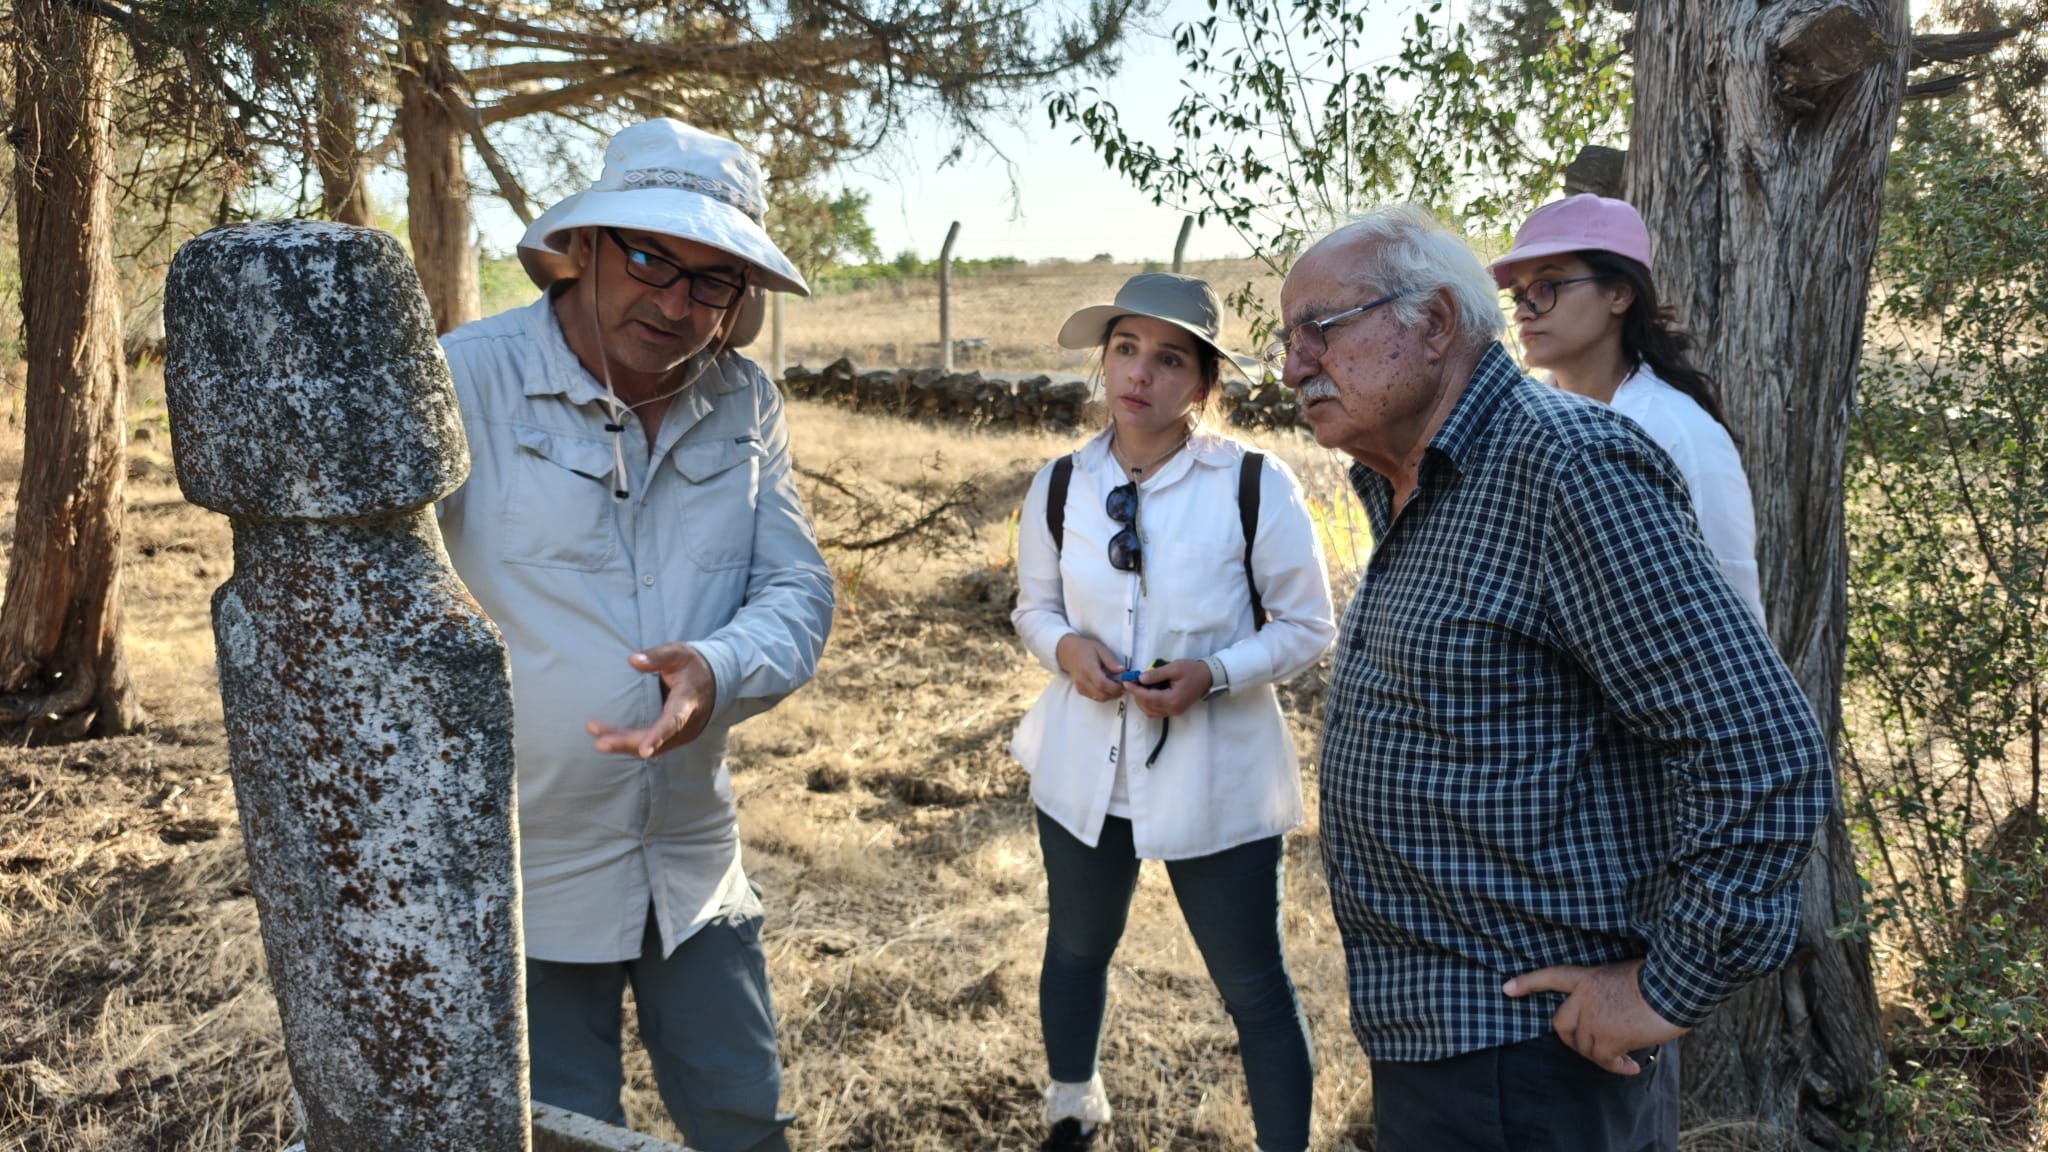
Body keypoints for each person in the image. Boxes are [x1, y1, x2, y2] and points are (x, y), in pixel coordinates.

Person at [1273, 205, 1831, 1151]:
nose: (1292, 368)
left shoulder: (1566, 467)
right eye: (1286, 342)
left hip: (1531, 1061)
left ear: (1436, 323)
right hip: (1456, 1045)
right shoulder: (1421, 482)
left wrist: (1666, 986)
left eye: (1318, 332)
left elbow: (1761, 747)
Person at [435, 119, 834, 1152]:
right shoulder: (461, 382)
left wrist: (716, 664)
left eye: (713, 282)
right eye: (652, 257)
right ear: (590, 246)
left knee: (747, 1123)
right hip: (524, 873)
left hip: (693, 862)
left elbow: (796, 590)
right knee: (561, 1132)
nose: (673, 303)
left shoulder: (744, 400)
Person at [1010, 273, 1337, 1152]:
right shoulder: (1058, 486)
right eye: (1125, 349)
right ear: (1103, 361)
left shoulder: (1254, 486)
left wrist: (1217, 672)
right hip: (1084, 763)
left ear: (1202, 382)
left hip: (1214, 771)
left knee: (1253, 985)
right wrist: (1066, 652)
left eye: (1168, 358)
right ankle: (1072, 1108)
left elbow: (1309, 624)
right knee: (1077, 946)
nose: (1139, 375)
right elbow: (1034, 608)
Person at [1490, 193, 1768, 1152]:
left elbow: (1732, 660)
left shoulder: (1672, 433)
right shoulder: (1572, 422)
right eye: (1517, 290)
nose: (1525, 305)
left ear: (1619, 297)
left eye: (1550, 285)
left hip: (1649, 827)